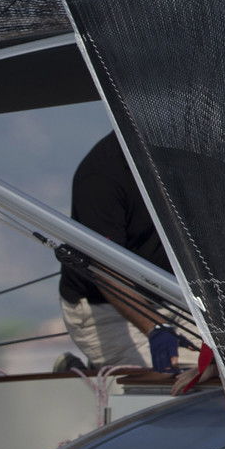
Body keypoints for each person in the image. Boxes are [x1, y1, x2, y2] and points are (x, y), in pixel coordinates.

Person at [60, 132, 180, 371]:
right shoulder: (100, 176)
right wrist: (155, 328)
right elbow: (104, 269)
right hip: (104, 309)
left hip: (174, 300)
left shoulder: (182, 156)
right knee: (181, 376)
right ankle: (83, 376)